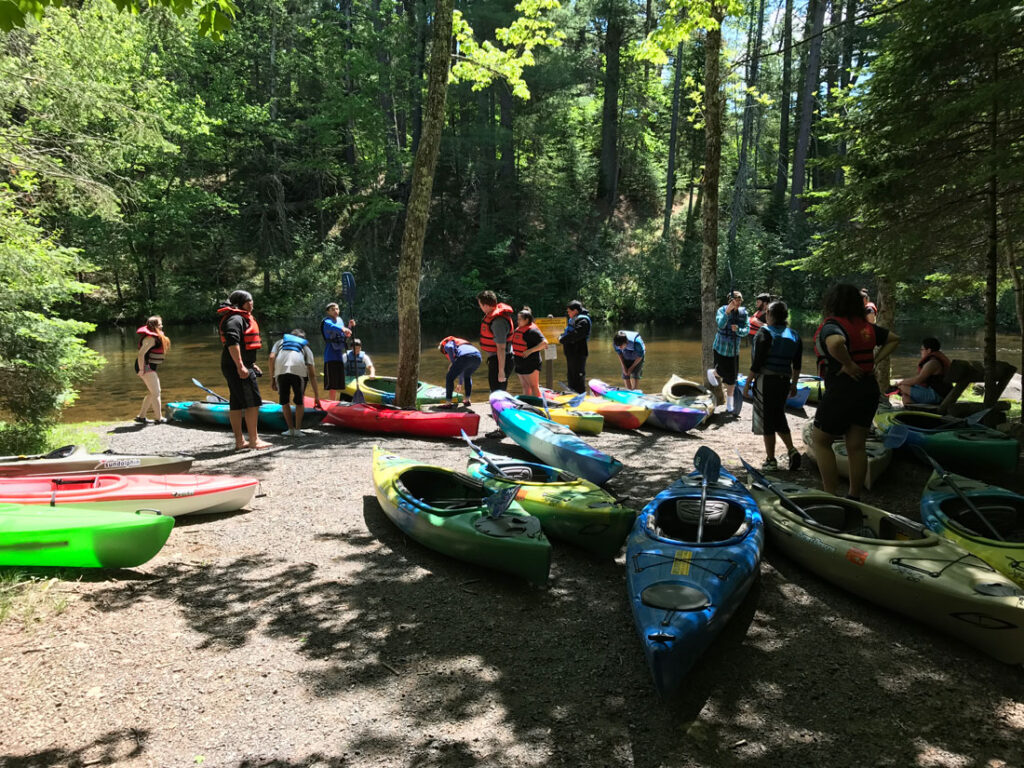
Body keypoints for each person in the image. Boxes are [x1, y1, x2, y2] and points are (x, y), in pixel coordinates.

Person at [810, 283, 900, 499]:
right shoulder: (866, 326)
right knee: (856, 445)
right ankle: (854, 495)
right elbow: (894, 339)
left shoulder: (833, 325)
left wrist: (848, 364)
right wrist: (876, 360)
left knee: (821, 440)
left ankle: (830, 495)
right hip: (868, 388)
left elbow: (835, 342)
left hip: (843, 388)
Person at [742, 301, 802, 471]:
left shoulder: (764, 332)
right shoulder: (794, 335)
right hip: (784, 382)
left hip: (767, 382)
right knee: (778, 415)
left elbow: (757, 363)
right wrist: (794, 385)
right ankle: (792, 450)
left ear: (771, 315)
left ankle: (771, 460)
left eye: (767, 313)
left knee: (768, 420)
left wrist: (747, 384)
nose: (765, 316)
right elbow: (797, 365)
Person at [218, 290, 271, 450]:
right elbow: (232, 343)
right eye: (248, 301)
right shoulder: (235, 319)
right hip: (236, 366)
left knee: (236, 403)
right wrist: (241, 365)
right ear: (239, 304)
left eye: (252, 300)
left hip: (236, 364)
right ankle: (254, 441)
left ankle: (240, 442)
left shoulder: (241, 317)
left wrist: (250, 363)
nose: (251, 303)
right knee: (252, 403)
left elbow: (242, 344)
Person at [268, 329, 322, 437]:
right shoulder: (305, 347)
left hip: (281, 371)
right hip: (299, 371)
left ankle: (290, 429)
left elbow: (271, 357)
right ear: (303, 339)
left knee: (284, 401)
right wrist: (316, 396)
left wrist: (272, 378)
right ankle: (297, 430)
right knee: (299, 401)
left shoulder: (279, 342)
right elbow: (312, 374)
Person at [708, 290, 750, 416]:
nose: (738, 302)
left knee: (732, 378)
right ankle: (712, 372)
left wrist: (738, 330)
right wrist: (727, 312)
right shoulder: (722, 310)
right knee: (721, 372)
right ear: (730, 301)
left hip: (734, 350)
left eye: (739, 300)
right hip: (720, 348)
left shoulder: (744, 313)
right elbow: (720, 325)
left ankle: (730, 406)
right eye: (735, 300)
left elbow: (747, 330)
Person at [476, 290, 515, 393]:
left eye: (480, 304)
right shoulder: (494, 317)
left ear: (485, 305)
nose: (480, 307)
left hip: (501, 360)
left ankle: (500, 409)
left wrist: (501, 371)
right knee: (496, 391)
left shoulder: (498, 322)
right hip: (497, 359)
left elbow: (501, 347)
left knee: (497, 392)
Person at [134, 315, 170, 424]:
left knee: (152, 392)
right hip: (145, 366)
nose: (162, 326)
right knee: (156, 392)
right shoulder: (150, 339)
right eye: (160, 324)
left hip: (148, 366)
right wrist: (141, 370)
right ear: (154, 326)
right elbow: (141, 355)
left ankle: (141, 416)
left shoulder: (155, 337)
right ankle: (159, 418)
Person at [896, 337, 951, 406]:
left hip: (937, 395)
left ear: (929, 350)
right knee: (905, 395)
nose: (921, 352)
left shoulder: (933, 363)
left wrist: (901, 382)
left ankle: (915, 411)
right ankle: (914, 411)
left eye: (922, 349)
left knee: (903, 387)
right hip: (933, 392)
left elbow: (918, 379)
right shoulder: (934, 360)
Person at [321, 302, 355, 400]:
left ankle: (334, 403)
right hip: (330, 357)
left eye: (337, 309)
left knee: (338, 383)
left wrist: (349, 327)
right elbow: (333, 327)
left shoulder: (340, 320)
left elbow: (344, 336)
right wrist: (344, 329)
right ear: (328, 312)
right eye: (332, 309)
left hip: (339, 356)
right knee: (332, 385)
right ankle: (331, 403)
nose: (336, 311)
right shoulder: (327, 322)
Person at [511, 308, 548, 397]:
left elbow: (544, 343)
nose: (518, 321)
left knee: (534, 386)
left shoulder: (532, 331)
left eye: (520, 319)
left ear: (526, 320)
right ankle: (528, 405)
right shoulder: (519, 329)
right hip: (519, 361)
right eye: (518, 319)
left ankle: (538, 406)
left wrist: (530, 351)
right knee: (525, 386)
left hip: (531, 362)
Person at [438, 335, 482, 407]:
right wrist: (460, 383)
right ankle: (467, 400)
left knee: (449, 377)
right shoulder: (458, 343)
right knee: (467, 376)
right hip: (477, 357)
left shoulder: (446, 345)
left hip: (465, 357)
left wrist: (452, 362)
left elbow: (449, 348)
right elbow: (461, 368)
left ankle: (448, 403)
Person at [559, 299, 592, 394]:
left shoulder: (583, 321)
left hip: (578, 353)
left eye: (569, 311)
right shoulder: (575, 319)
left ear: (575, 311)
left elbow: (576, 334)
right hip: (572, 353)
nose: (568, 313)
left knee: (578, 377)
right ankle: (572, 394)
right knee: (571, 376)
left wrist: (562, 339)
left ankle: (581, 396)